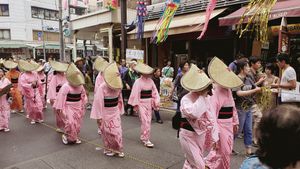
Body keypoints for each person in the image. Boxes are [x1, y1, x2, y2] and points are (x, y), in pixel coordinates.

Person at [205, 57, 242, 169]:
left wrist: (235, 121)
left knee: (226, 150)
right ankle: (208, 165)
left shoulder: (228, 90)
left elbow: (233, 107)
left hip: (229, 124)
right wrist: (214, 134)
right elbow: (212, 115)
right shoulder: (216, 92)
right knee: (221, 151)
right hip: (220, 125)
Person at [179, 64, 219, 169]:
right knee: (199, 165)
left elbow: (212, 118)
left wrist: (215, 137)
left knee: (191, 162)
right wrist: (202, 96)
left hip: (200, 135)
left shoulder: (206, 99)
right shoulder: (186, 99)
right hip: (188, 135)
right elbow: (194, 113)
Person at [92, 62, 125, 157]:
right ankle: (109, 148)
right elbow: (98, 102)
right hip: (105, 111)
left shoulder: (118, 85)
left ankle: (118, 148)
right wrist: (98, 117)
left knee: (117, 131)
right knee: (106, 131)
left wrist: (119, 109)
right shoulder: (102, 87)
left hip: (114, 111)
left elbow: (120, 99)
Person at [53, 63, 87, 145]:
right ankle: (66, 135)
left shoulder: (81, 86)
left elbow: (83, 96)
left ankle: (75, 136)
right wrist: (60, 108)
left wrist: (84, 103)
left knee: (77, 123)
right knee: (70, 122)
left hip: (78, 106)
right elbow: (61, 98)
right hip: (68, 106)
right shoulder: (66, 86)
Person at [128, 63, 160, 148]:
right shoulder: (138, 82)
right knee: (144, 121)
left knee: (148, 121)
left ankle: (143, 136)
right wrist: (136, 105)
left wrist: (156, 101)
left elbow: (155, 92)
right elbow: (135, 93)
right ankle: (146, 139)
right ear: (142, 73)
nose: (147, 74)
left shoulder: (151, 81)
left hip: (148, 103)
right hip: (141, 103)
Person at [233, 60, 261, 156]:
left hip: (249, 106)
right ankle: (228, 145)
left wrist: (262, 89)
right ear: (241, 68)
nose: (249, 68)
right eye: (247, 67)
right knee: (238, 130)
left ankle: (248, 150)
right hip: (239, 107)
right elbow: (239, 93)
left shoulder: (248, 78)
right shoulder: (236, 79)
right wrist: (254, 90)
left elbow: (254, 87)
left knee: (248, 129)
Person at [19, 60, 44, 124]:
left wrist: (40, 83)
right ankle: (33, 118)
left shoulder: (35, 73)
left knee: (39, 105)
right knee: (32, 106)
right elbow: (23, 84)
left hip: (36, 91)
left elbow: (38, 82)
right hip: (28, 92)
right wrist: (30, 84)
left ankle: (39, 117)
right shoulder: (23, 75)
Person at [47, 60, 68, 133]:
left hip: (66, 96)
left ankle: (67, 126)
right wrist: (53, 98)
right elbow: (52, 88)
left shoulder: (67, 76)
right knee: (59, 113)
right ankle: (60, 126)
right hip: (57, 97)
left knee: (66, 113)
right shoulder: (54, 77)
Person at [91, 57, 109, 135]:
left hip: (108, 96)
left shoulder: (108, 74)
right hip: (100, 96)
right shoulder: (99, 77)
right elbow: (97, 89)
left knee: (107, 114)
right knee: (100, 113)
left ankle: (107, 126)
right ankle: (99, 127)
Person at [0, 68, 12, 132]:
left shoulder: (6, 80)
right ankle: (1, 126)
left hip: (4, 98)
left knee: (5, 112)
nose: (0, 73)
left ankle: (6, 126)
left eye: (1, 71)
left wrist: (8, 90)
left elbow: (10, 86)